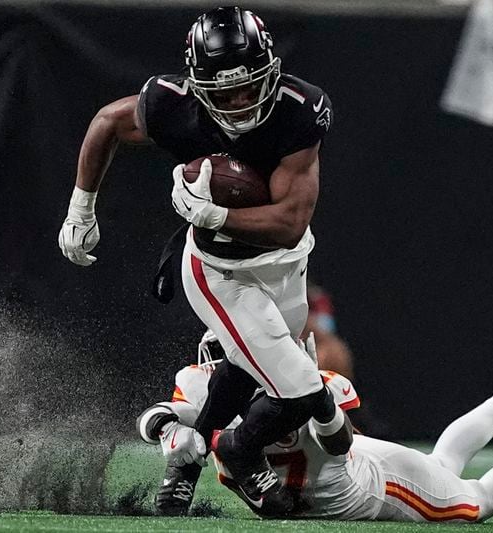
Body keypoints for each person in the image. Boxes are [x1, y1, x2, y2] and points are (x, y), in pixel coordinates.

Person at [57, 5, 345, 516]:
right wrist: (81, 206)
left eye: (248, 86)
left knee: (250, 371)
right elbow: (107, 121)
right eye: (223, 90)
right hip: (218, 272)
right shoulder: (173, 104)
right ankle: (238, 454)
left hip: (286, 260)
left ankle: (182, 447)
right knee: (300, 389)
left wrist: (212, 213)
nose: (237, 101)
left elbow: (290, 223)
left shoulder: (300, 108)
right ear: (198, 85)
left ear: (271, 73)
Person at [138, 345, 493, 521]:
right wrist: (184, 442)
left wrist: (227, 443)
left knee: (475, 502)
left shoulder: (321, 385)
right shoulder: (203, 382)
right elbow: (156, 419)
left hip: (362, 486)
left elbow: (340, 441)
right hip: (330, 482)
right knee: (443, 464)